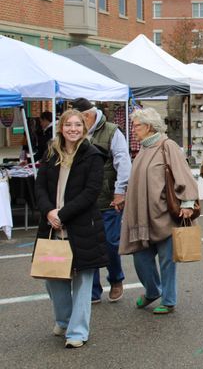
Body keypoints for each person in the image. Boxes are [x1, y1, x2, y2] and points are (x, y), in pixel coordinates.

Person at [35, 109, 108, 348]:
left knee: (82, 280)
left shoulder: (93, 155)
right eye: (68, 125)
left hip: (82, 226)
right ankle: (65, 320)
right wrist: (49, 212)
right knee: (53, 277)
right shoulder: (50, 151)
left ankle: (77, 332)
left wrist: (62, 214)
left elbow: (91, 192)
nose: (73, 129)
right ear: (61, 127)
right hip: (51, 225)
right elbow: (40, 188)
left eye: (78, 125)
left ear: (84, 128)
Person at [120, 108, 198, 315]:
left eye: (136, 126)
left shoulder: (167, 145)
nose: (133, 130)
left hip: (164, 214)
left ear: (149, 127)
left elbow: (183, 174)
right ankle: (153, 291)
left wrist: (188, 203)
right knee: (140, 258)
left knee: (166, 260)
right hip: (142, 216)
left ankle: (169, 300)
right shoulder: (144, 149)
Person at [70, 98, 132, 306]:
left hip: (107, 198)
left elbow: (123, 162)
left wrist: (120, 191)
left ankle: (116, 279)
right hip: (81, 200)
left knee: (110, 243)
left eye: (78, 120)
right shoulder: (75, 132)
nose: (74, 125)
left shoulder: (113, 131)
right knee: (87, 245)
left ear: (88, 115)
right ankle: (93, 289)